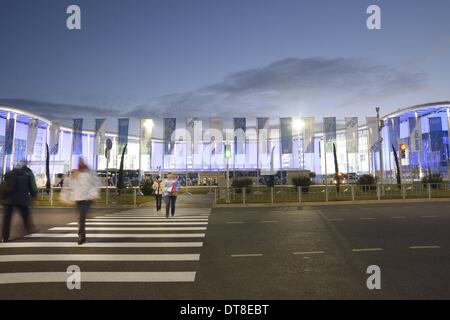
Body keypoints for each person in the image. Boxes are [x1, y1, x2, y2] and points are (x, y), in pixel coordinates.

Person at [63, 158, 99, 245]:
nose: (81, 164)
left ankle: (81, 236)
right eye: (80, 163)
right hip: (79, 199)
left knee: (82, 218)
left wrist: (93, 196)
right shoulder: (75, 174)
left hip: (87, 199)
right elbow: (70, 186)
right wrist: (68, 197)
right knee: (81, 218)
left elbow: (94, 185)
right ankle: (81, 236)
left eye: (82, 163)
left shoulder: (89, 174)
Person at [1, 162, 38, 243]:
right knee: (25, 215)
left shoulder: (9, 173)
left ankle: (4, 237)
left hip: (9, 199)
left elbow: (4, 184)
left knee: (7, 219)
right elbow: (32, 186)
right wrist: (34, 195)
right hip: (22, 199)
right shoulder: (28, 174)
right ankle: (28, 230)